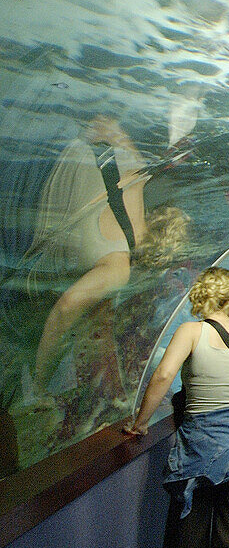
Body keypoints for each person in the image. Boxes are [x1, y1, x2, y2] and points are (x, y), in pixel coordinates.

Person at [126, 267, 229, 548]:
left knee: (187, 545)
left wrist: (141, 423)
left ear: (200, 295)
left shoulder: (191, 331)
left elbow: (162, 376)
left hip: (201, 455)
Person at [31, 115, 189, 391]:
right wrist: (39, 382)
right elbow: (66, 306)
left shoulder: (140, 170)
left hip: (56, 142)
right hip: (32, 184)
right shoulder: (119, 266)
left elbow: (107, 127)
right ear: (152, 263)